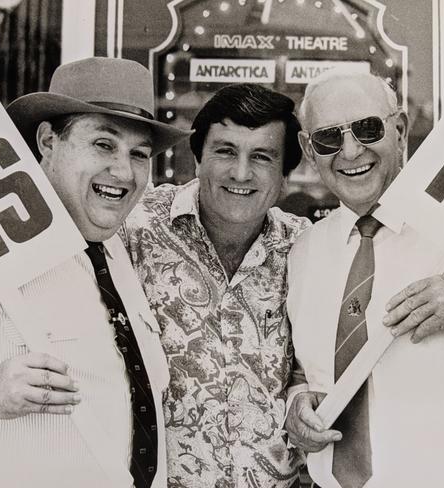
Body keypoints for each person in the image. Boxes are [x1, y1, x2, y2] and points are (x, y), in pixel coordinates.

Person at [0, 57, 190, 488]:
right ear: (48, 141)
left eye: (139, 154)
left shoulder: (118, 249)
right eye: (103, 144)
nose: (124, 171)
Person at [285, 69, 444, 488]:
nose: (349, 152)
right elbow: (302, 370)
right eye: (328, 137)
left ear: (399, 130)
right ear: (308, 151)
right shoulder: (304, 251)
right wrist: (297, 404)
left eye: (368, 129)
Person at [122, 83, 309, 488]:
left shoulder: (306, 249)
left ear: (284, 178)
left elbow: (317, 364)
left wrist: (303, 391)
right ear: (197, 159)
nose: (241, 173)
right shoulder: (132, 231)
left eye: (261, 156)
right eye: (225, 151)